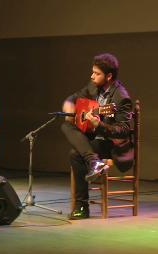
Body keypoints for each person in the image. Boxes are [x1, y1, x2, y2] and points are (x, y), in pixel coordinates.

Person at [61, 53, 134, 219]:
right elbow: (74, 97)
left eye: (97, 73)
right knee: (66, 125)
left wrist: (99, 125)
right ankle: (94, 161)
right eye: (92, 72)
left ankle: (81, 207)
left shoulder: (121, 97)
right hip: (96, 139)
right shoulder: (93, 86)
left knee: (75, 154)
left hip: (112, 144)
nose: (92, 76)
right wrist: (69, 104)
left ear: (108, 76)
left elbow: (123, 130)